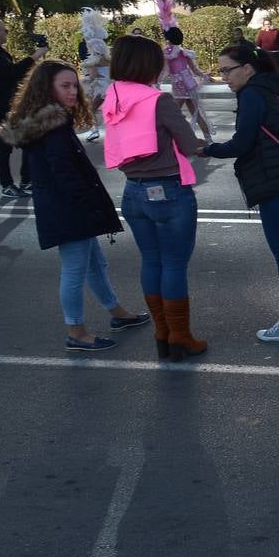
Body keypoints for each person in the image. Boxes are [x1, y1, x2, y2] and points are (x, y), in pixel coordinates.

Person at [0, 60, 148, 351]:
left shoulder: (45, 121)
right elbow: (64, 172)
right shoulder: (53, 127)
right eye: (64, 86)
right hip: (68, 209)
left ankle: (117, 313)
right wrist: (89, 206)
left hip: (64, 206)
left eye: (74, 85)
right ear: (46, 88)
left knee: (94, 263)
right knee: (75, 270)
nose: (72, 91)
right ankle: (76, 332)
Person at [201, 44, 279, 342]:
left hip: (277, 182)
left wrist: (207, 149)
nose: (224, 78)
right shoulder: (272, 87)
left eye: (227, 71)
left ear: (247, 68)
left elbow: (241, 143)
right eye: (220, 72)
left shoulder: (252, 94)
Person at [102, 34, 206, 361]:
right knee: (174, 264)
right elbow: (190, 145)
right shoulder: (156, 100)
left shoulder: (114, 95)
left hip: (133, 192)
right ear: (148, 64)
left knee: (152, 262)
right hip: (170, 191)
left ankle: (162, 335)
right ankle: (181, 337)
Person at [0, 17, 46, 197]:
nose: (7, 33)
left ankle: (26, 180)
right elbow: (10, 73)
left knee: (26, 141)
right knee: (7, 145)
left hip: (8, 105)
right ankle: (9, 184)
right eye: (4, 30)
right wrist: (35, 56)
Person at [154, 0, 216, 144]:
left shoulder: (168, 52)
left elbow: (166, 70)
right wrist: (205, 75)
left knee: (173, 114)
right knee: (196, 112)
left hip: (180, 85)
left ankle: (176, 140)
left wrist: (157, 81)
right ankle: (207, 139)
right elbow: (194, 69)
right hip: (190, 83)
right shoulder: (183, 51)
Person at [79, 8, 112, 143]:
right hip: (111, 85)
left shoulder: (93, 61)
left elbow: (93, 77)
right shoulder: (107, 58)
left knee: (91, 109)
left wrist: (86, 80)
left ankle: (94, 131)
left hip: (101, 86)